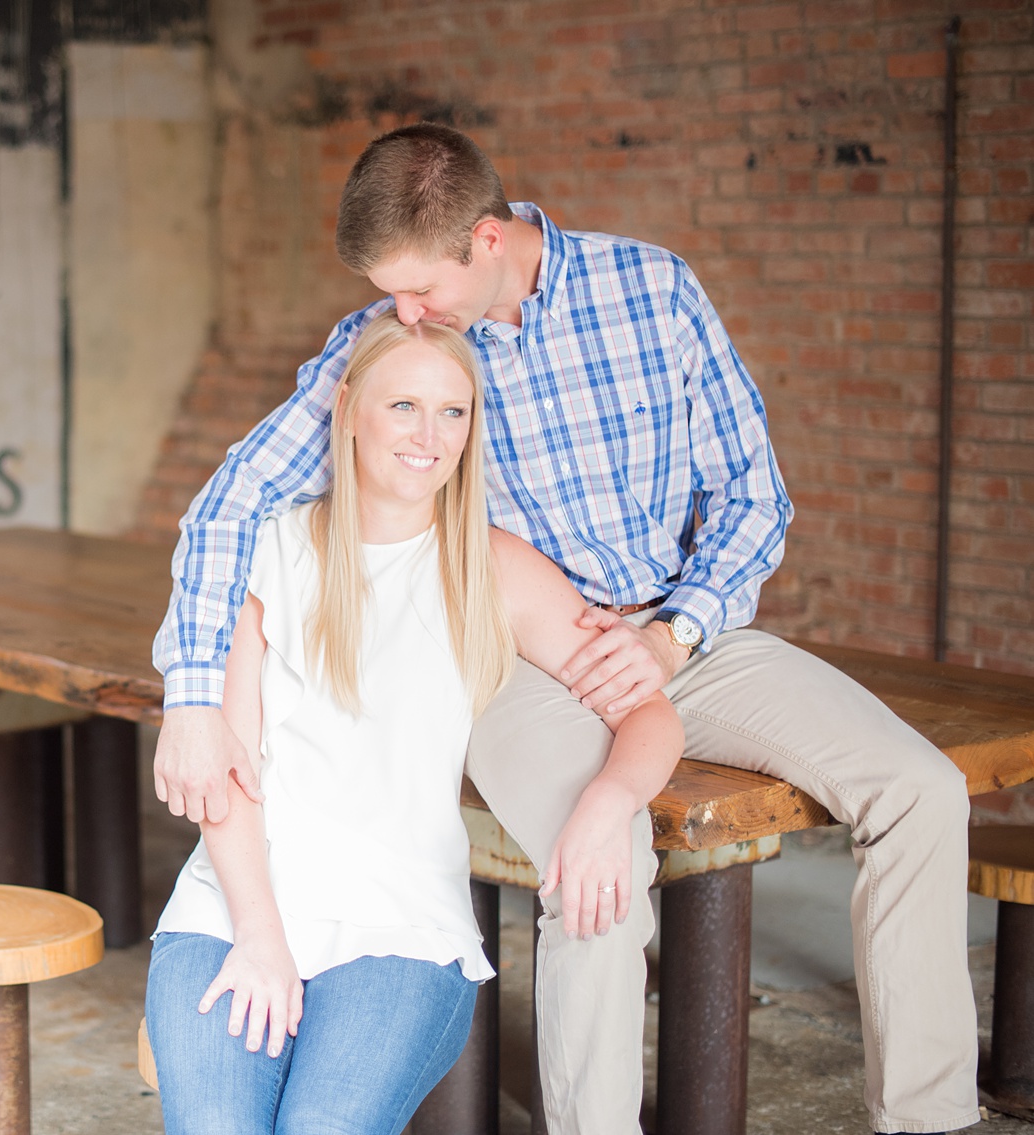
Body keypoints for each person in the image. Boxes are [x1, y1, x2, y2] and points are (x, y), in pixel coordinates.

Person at [151, 123, 977, 1135]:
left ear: (487, 241)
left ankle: (928, 1117)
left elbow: (753, 498)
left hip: (686, 635)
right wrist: (192, 694)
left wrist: (672, 636)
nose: (402, 312)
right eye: (391, 294)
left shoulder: (654, 293)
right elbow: (230, 505)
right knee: (601, 852)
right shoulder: (396, 346)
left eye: (420, 290)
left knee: (922, 789)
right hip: (527, 659)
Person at [144, 311, 684, 1134]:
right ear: (350, 405)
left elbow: (647, 710)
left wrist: (611, 799)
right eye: (403, 406)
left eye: (453, 411)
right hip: (236, 905)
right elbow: (228, 770)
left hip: (401, 929)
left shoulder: (490, 568)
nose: (429, 434)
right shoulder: (268, 551)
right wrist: (259, 936)